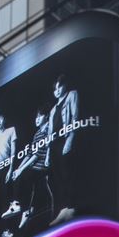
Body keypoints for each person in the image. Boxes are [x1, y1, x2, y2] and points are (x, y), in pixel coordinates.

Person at [10, 105, 54, 229]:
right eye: (36, 117)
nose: (37, 119)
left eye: (40, 116)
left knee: (25, 175)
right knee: (19, 176)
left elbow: (36, 155)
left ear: (46, 116)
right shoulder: (37, 134)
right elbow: (29, 153)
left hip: (43, 167)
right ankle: (24, 209)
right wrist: (18, 169)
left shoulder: (47, 130)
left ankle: (22, 208)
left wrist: (21, 170)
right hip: (35, 167)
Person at [46, 74, 78, 226]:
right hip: (54, 144)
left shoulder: (72, 95)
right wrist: (47, 154)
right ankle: (63, 208)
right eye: (55, 89)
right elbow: (49, 133)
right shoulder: (53, 110)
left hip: (65, 140)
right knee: (56, 177)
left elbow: (75, 118)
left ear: (65, 85)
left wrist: (70, 139)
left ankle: (71, 207)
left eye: (60, 87)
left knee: (67, 173)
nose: (57, 91)